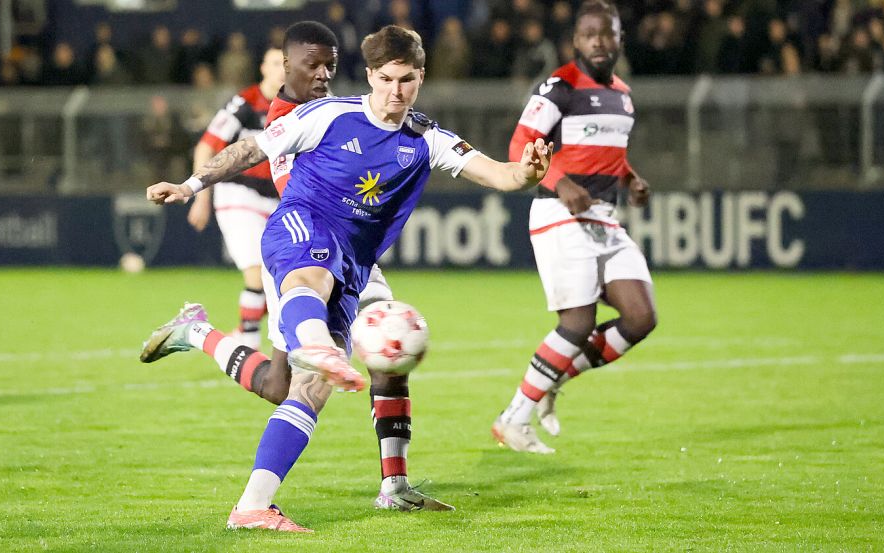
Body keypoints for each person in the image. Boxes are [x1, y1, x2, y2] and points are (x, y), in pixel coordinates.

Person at [145, 24, 553, 532]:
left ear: (420, 78)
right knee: (312, 278)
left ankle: (256, 505)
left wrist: (528, 173)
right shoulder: (327, 115)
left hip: (355, 264)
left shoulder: (426, 139)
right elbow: (251, 149)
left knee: (305, 388)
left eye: (406, 80)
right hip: (303, 226)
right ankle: (313, 343)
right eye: (385, 79)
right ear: (370, 76)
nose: (395, 92)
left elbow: (499, 173)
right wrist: (190, 185)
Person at [491, 0, 658, 454]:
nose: (599, 42)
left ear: (620, 38)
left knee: (642, 316)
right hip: (557, 213)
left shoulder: (622, 93)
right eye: (589, 35)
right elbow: (521, 143)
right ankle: (513, 420)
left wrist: (631, 179)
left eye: (607, 33)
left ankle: (551, 379)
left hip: (603, 216)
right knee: (578, 322)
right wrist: (560, 183)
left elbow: (611, 154)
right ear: (576, 42)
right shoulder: (559, 86)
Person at [186, 47, 285, 347]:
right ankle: (250, 340)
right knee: (256, 272)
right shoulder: (244, 103)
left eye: (286, 64)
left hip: (277, 200)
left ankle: (244, 331)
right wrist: (200, 194)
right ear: (263, 69)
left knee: (282, 281)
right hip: (237, 193)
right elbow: (206, 146)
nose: (282, 69)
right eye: (275, 63)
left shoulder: (297, 106)